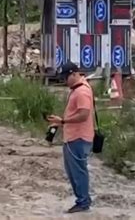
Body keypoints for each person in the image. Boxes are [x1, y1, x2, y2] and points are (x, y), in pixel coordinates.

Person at [47, 61, 94, 214]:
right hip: (73, 136)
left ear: (74, 74)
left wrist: (63, 121)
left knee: (78, 171)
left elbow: (83, 115)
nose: (64, 81)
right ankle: (82, 199)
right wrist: (61, 122)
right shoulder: (77, 89)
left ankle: (83, 201)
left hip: (78, 138)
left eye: (66, 77)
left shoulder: (82, 92)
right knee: (73, 171)